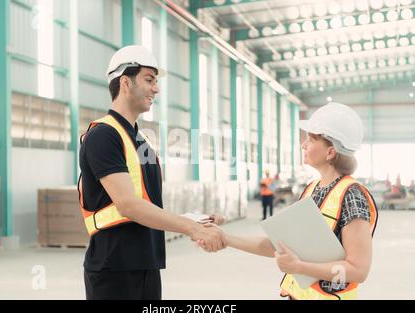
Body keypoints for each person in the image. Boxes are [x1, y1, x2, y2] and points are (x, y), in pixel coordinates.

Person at [78, 45, 226, 300]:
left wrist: (194, 219)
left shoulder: (140, 140)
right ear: (125, 82)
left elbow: (147, 204)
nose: (156, 89)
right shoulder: (103, 135)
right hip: (114, 269)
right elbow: (128, 206)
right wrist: (189, 228)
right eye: (149, 80)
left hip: (145, 264)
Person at [210, 102, 379, 300]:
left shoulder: (352, 196)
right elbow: (279, 245)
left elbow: (358, 270)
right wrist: (225, 238)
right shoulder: (311, 189)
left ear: (330, 152)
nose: (304, 145)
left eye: (311, 139)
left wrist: (300, 267)